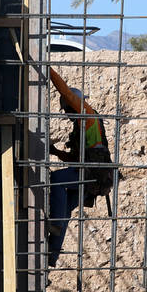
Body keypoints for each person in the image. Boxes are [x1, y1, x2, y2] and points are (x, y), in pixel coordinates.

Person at [47, 67, 114, 266]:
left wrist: (47, 69)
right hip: (94, 178)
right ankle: (52, 255)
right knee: (65, 208)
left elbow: (65, 92)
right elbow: (76, 161)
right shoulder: (81, 127)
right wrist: (56, 152)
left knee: (57, 180)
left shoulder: (87, 114)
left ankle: (56, 226)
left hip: (93, 175)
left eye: (68, 110)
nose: (67, 115)